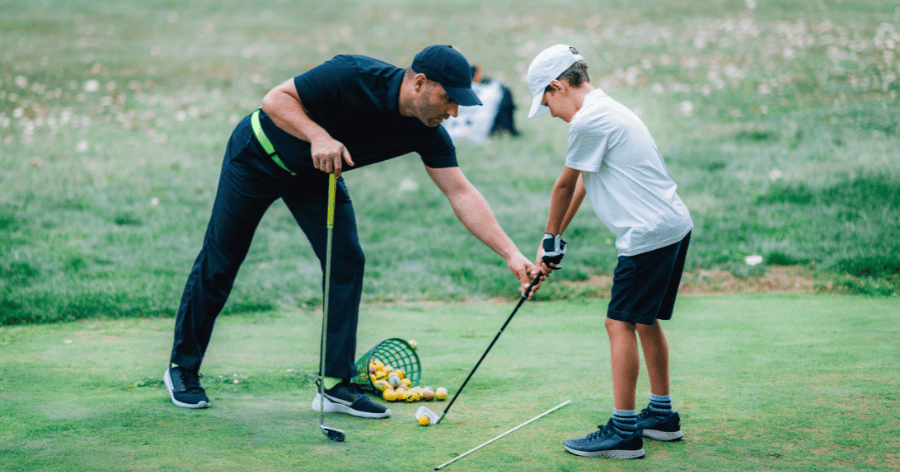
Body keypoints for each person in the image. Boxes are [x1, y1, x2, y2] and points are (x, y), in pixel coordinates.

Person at [164, 45, 543, 419]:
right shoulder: (351, 73)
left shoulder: (427, 131)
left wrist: (511, 254)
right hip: (257, 157)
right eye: (448, 99)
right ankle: (182, 368)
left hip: (316, 176)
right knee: (222, 259)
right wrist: (317, 135)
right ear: (420, 83)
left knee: (347, 261)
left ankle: (334, 387)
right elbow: (275, 100)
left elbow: (460, 192)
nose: (453, 111)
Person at [526, 44, 693, 459]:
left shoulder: (589, 120)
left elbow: (563, 186)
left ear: (558, 85)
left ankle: (624, 431)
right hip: (672, 226)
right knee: (644, 319)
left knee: (618, 323)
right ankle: (661, 416)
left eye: (546, 101)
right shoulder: (610, 109)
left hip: (647, 235)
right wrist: (556, 242)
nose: (549, 112)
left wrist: (547, 242)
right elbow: (585, 180)